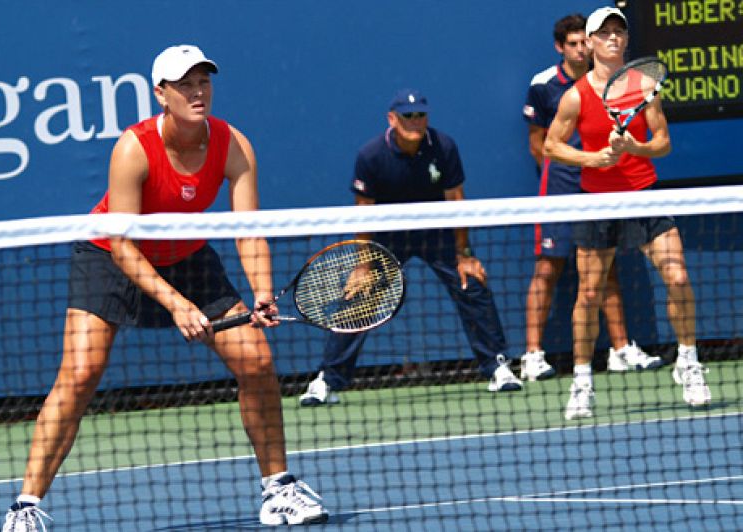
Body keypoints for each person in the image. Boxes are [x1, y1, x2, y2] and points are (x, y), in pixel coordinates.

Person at [1, 45, 328, 530]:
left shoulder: (233, 145)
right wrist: (177, 305)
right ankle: (25, 507)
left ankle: (278, 488)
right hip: (110, 256)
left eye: (204, 82)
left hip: (187, 257)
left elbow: (249, 230)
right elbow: (123, 244)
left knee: (256, 361)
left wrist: (262, 290)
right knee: (80, 374)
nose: (198, 93)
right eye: (185, 85)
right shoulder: (133, 148)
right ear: (161, 94)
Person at [299, 88, 522, 407]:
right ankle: (327, 379)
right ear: (392, 119)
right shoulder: (371, 155)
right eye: (407, 116)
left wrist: (464, 255)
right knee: (359, 297)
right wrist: (363, 265)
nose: (415, 121)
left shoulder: (444, 147)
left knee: (471, 285)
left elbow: (457, 201)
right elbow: (363, 211)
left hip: (436, 232)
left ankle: (497, 367)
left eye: (420, 115)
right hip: (390, 236)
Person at [542, 7, 712, 420]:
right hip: (597, 202)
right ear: (590, 43)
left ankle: (688, 362)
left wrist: (635, 148)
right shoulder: (575, 96)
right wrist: (593, 158)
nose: (613, 38)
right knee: (589, 294)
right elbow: (551, 146)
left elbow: (663, 142)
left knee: (678, 277)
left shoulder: (645, 87)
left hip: (644, 196)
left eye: (619, 31)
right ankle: (582, 381)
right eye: (605, 33)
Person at [520, 13, 662, 381]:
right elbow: (540, 143)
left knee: (606, 269)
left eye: (585, 42)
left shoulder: (613, 82)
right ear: (560, 47)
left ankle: (620, 349)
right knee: (549, 266)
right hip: (562, 183)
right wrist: (576, 166)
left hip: (602, 182)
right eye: (573, 44)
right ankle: (532, 355)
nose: (581, 49)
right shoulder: (545, 85)